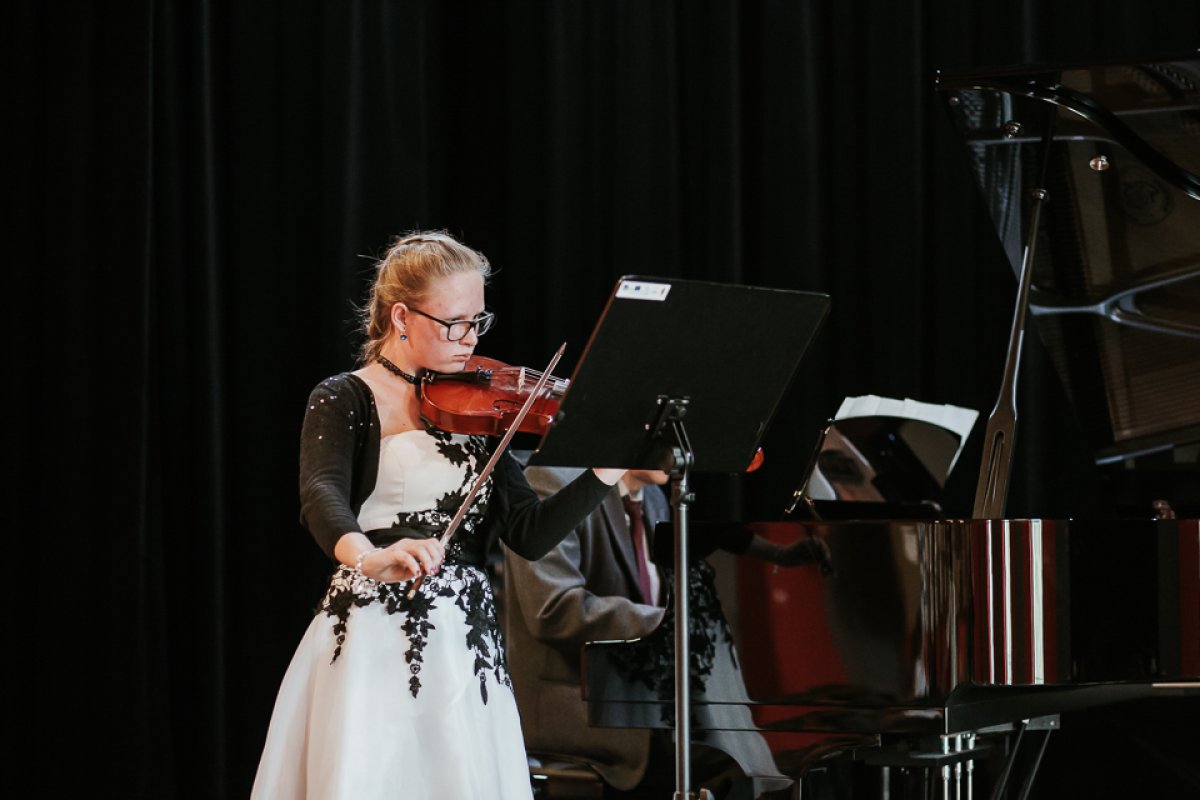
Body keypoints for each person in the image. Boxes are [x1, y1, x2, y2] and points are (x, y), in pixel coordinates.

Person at [251, 231, 626, 799]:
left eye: (478, 321)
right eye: (454, 323)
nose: (469, 339)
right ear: (401, 316)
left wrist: (604, 474)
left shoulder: (477, 409)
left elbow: (529, 534)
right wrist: (370, 557)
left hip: (464, 643)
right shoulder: (345, 396)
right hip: (373, 629)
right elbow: (321, 497)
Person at [503, 466, 828, 799]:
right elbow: (554, 610)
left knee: (754, 753)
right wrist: (667, 623)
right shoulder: (553, 482)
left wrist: (776, 555)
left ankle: (763, 768)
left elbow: (714, 545)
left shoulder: (656, 499)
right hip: (577, 703)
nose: (680, 452)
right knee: (723, 761)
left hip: (639, 697)